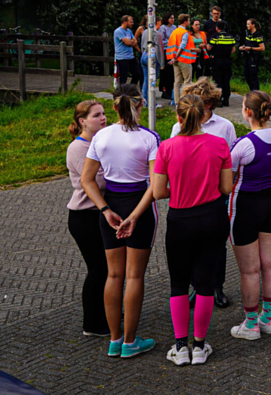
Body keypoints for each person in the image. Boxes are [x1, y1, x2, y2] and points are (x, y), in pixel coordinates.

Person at [152, 94, 232, 366]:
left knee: (178, 283)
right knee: (205, 283)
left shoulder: (166, 147)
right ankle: (199, 347)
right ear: (203, 116)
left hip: (180, 220)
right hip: (213, 218)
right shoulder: (220, 144)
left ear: (179, 116)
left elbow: (157, 191)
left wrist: (179, 188)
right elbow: (226, 188)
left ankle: (180, 347)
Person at [80, 84, 159, 359]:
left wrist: (105, 210)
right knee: (134, 276)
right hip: (140, 208)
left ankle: (115, 340)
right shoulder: (149, 137)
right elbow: (155, 185)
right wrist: (134, 216)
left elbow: (87, 180)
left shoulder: (100, 136)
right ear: (141, 104)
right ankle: (130, 342)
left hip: (111, 207)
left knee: (113, 275)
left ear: (114, 107)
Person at [170, 77, 237, 308]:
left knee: (217, 244)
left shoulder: (225, 127)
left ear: (209, 104)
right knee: (189, 245)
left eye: (199, 102)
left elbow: (230, 163)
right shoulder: (177, 128)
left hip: (216, 192)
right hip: (188, 192)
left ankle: (216, 286)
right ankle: (196, 287)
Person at [228, 91, 271, 341]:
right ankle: (268, 318)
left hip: (246, 207)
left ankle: (251, 324)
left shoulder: (244, 144)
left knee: (250, 270)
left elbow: (226, 180)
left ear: (248, 112)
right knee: (269, 264)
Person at [66, 99, 110, 337]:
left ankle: (106, 312)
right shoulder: (78, 148)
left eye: (103, 113)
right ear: (82, 121)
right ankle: (92, 324)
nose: (103, 118)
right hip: (85, 217)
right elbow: (97, 180)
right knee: (98, 269)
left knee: (109, 269)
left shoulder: (100, 142)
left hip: (100, 214)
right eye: (96, 115)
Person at [166, 14, 197, 106]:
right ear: (185, 22)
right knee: (188, 81)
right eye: (189, 20)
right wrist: (176, 57)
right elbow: (182, 46)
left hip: (175, 60)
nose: (189, 22)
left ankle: (177, 103)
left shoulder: (175, 31)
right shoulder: (185, 33)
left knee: (177, 82)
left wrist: (174, 58)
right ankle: (186, 102)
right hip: (184, 59)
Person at [208, 22, 236, 107]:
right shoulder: (230, 37)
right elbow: (233, 49)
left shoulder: (215, 37)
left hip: (217, 61)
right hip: (227, 61)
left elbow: (209, 47)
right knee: (226, 80)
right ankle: (226, 100)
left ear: (217, 28)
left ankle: (219, 100)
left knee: (217, 81)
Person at [139, 16, 164, 109]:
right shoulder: (157, 34)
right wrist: (162, 63)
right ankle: (152, 102)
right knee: (152, 80)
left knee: (146, 79)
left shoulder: (145, 32)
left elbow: (142, 44)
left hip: (144, 55)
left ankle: (144, 101)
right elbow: (159, 48)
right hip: (152, 56)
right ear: (157, 22)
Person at [114, 15, 140, 87]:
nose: (132, 23)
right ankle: (121, 91)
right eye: (131, 22)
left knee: (137, 74)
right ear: (125, 22)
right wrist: (130, 42)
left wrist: (131, 42)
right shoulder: (118, 31)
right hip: (122, 57)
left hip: (130, 56)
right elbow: (128, 43)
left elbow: (135, 42)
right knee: (124, 77)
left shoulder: (129, 31)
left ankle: (131, 88)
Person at [239, 19, 265, 91]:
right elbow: (248, 44)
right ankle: (252, 91)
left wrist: (250, 48)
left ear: (253, 25)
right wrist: (243, 47)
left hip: (254, 58)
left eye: (248, 24)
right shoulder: (248, 34)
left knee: (253, 76)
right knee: (247, 75)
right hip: (247, 57)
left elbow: (262, 48)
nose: (247, 26)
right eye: (246, 24)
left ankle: (256, 92)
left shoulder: (258, 35)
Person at [158, 13, 176, 100]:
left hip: (173, 50)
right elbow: (161, 40)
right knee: (166, 71)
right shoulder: (163, 28)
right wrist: (171, 41)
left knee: (172, 72)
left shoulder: (174, 27)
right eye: (171, 18)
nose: (172, 19)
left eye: (173, 18)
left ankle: (171, 90)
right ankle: (165, 90)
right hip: (166, 50)